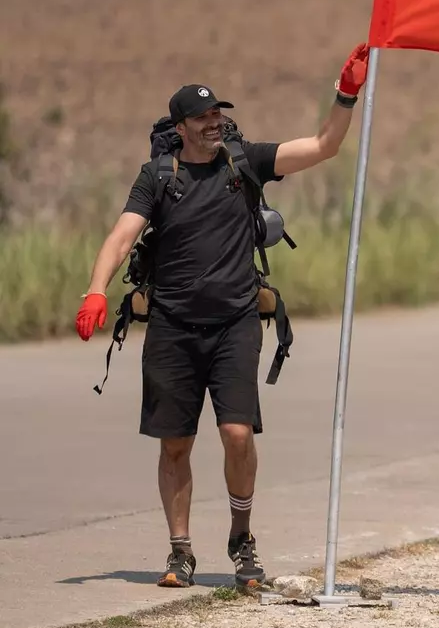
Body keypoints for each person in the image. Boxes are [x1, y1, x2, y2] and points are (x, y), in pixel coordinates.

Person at [74, 43, 370, 592]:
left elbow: (325, 146)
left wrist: (345, 94)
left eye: (218, 114)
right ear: (181, 126)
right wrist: (96, 290)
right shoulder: (157, 176)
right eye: (204, 117)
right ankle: (181, 551)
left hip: (235, 323)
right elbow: (122, 236)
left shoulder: (246, 162)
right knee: (175, 445)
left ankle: (241, 537)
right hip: (172, 326)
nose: (215, 123)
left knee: (237, 434)